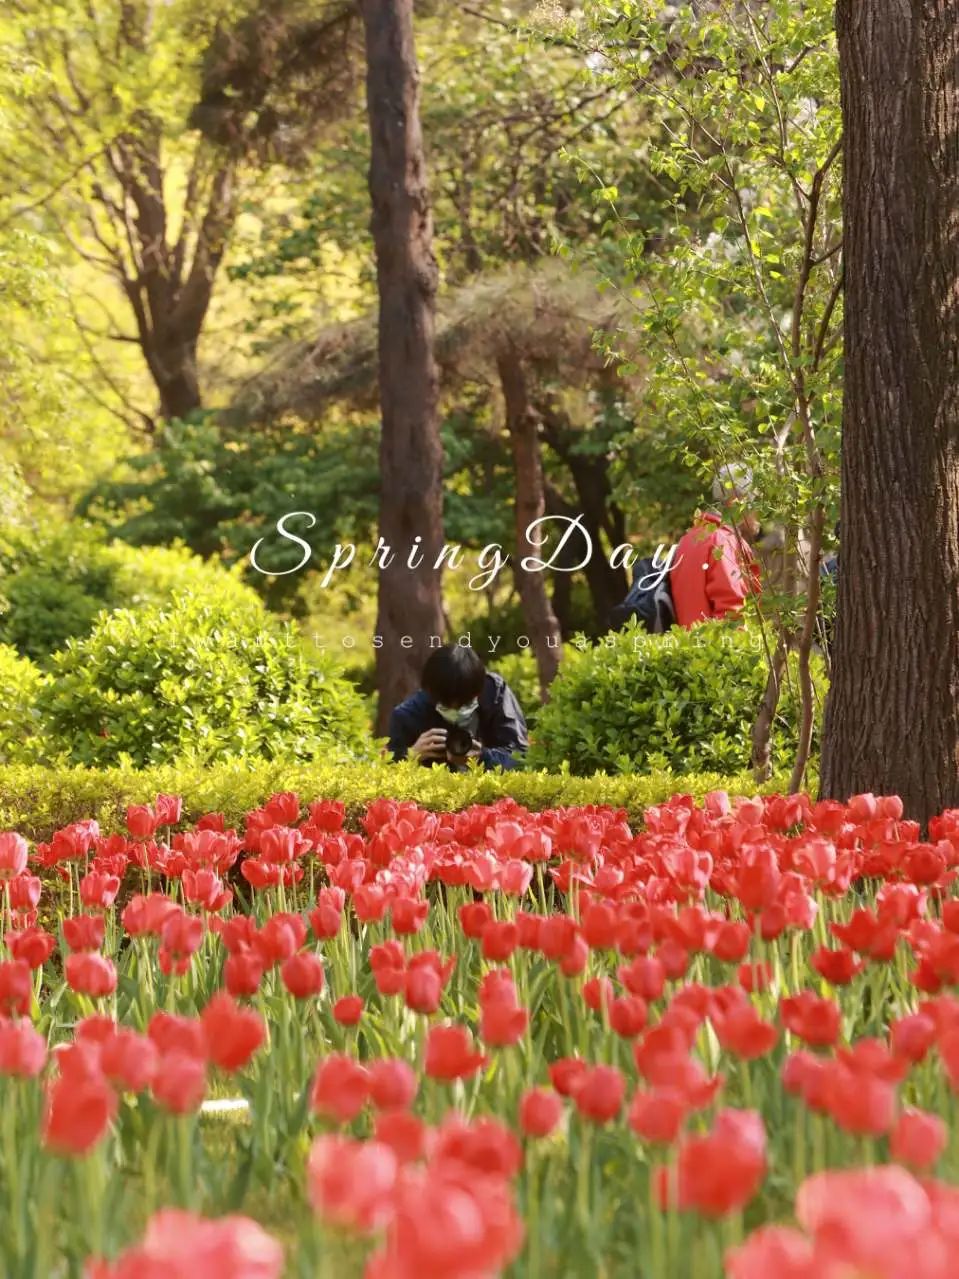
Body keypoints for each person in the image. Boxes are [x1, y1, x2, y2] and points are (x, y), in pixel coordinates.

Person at [386, 645, 528, 771]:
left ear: (479, 691)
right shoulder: (407, 716)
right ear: (430, 692)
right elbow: (387, 774)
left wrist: (483, 757)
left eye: (464, 704)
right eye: (446, 705)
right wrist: (412, 755)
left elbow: (521, 758)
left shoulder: (495, 693)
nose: (456, 711)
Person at [669, 462, 762, 628]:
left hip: (693, 648)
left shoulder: (689, 539)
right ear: (736, 502)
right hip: (719, 650)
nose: (759, 511)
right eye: (755, 501)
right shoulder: (723, 543)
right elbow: (732, 615)